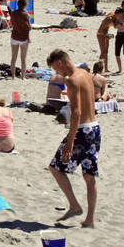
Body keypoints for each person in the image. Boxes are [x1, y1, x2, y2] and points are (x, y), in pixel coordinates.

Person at [47, 49, 100, 227]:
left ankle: (75, 206)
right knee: (89, 175)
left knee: (55, 168)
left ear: (61, 62)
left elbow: (76, 112)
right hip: (95, 128)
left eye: (56, 69)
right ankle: (90, 220)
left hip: (82, 131)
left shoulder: (71, 80)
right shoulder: (85, 73)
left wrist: (70, 140)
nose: (57, 73)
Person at [8, 0, 31, 78]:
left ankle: (13, 77)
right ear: (24, 6)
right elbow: (28, 27)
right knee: (23, 59)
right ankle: (23, 77)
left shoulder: (14, 13)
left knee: (13, 58)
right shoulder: (25, 14)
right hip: (23, 38)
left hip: (14, 36)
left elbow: (12, 23)